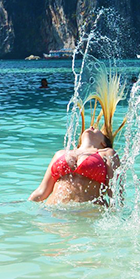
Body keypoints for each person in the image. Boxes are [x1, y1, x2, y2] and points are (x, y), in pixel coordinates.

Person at [29, 74, 124, 205]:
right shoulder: (61, 153)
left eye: (96, 130)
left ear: (103, 142)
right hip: (54, 213)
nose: (91, 127)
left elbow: (116, 196)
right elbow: (41, 192)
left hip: (87, 216)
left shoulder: (107, 154)